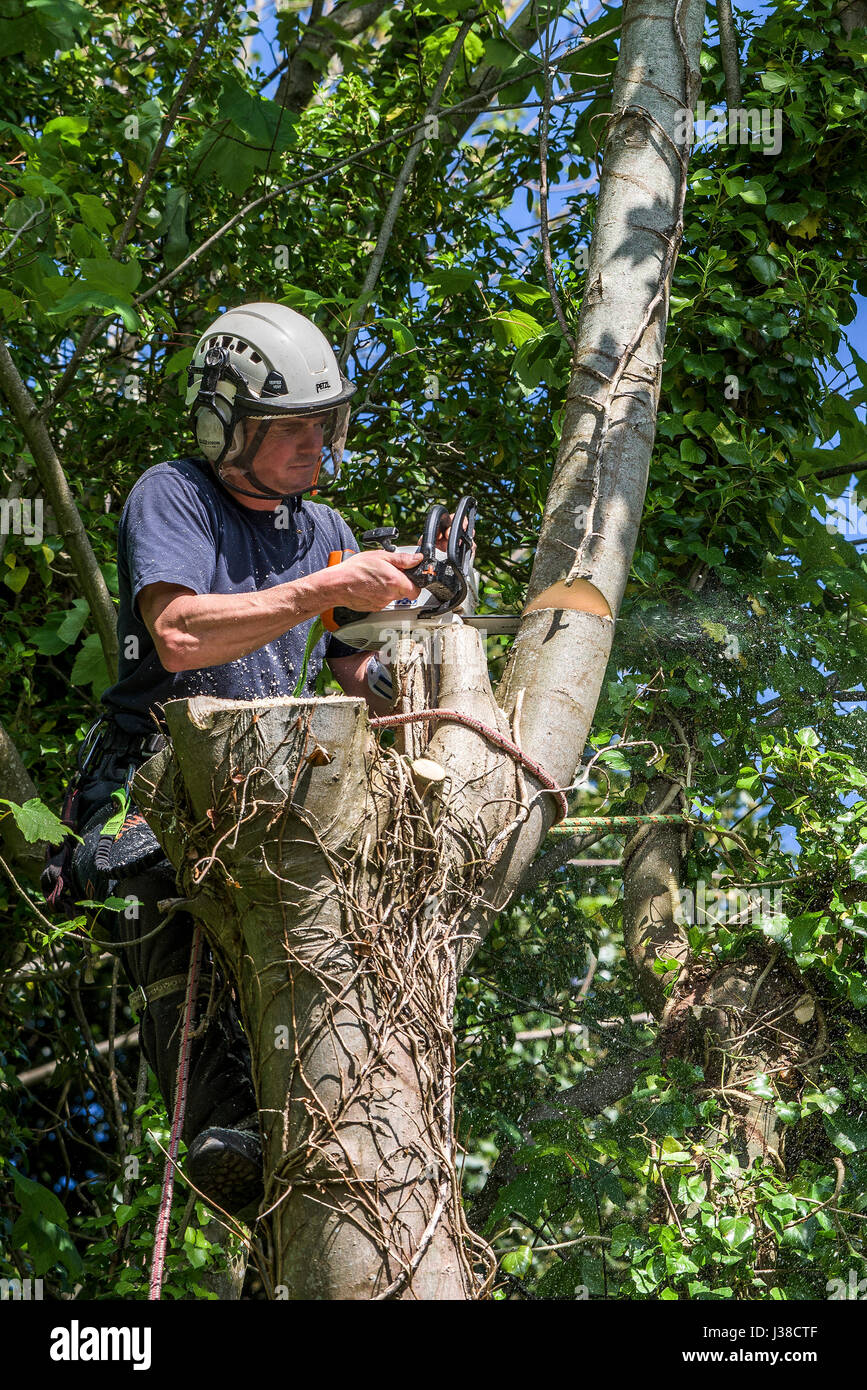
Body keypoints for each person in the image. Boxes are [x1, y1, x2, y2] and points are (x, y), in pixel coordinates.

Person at [56, 302, 438, 1217]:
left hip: (275, 788)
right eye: (293, 426)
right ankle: (219, 1134)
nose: (316, 443)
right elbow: (180, 635)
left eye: (325, 422)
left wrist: (411, 631)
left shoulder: (326, 526)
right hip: (153, 774)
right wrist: (322, 589)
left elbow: (356, 675)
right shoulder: (173, 494)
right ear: (226, 426)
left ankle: (334, 1119)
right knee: (157, 893)